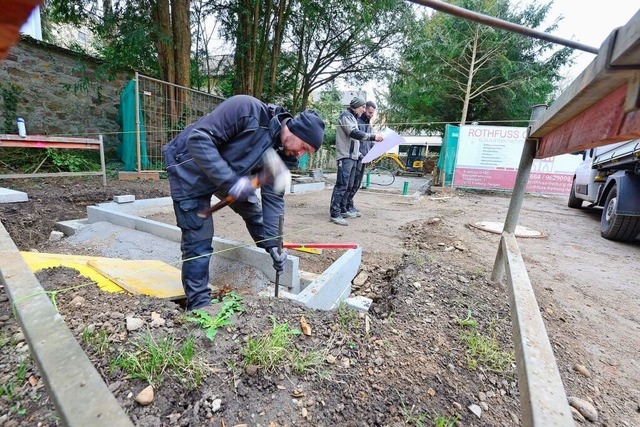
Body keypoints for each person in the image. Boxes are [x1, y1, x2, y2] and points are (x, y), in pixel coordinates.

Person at [162, 95, 325, 311]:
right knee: (198, 241)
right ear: (294, 130)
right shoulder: (247, 110)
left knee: (252, 210)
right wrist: (230, 182)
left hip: (228, 175)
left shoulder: (284, 154)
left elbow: (274, 198)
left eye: (306, 152)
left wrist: (274, 244)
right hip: (189, 168)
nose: (300, 154)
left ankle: (268, 244)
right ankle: (199, 305)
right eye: (303, 146)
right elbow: (198, 139)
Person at [330, 97, 383, 226]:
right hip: (345, 156)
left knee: (349, 185)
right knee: (342, 184)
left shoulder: (352, 118)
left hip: (353, 157)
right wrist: (373, 137)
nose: (364, 110)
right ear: (356, 106)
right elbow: (353, 133)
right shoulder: (346, 116)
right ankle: (334, 213)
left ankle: (343, 209)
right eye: (363, 107)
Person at [344, 100, 377, 217]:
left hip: (365, 158)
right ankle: (346, 204)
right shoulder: (356, 122)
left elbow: (371, 141)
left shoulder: (368, 125)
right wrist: (361, 155)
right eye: (369, 112)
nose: (370, 115)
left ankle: (349, 203)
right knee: (351, 183)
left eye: (372, 113)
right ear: (363, 109)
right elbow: (356, 140)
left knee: (357, 183)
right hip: (356, 157)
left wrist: (372, 154)